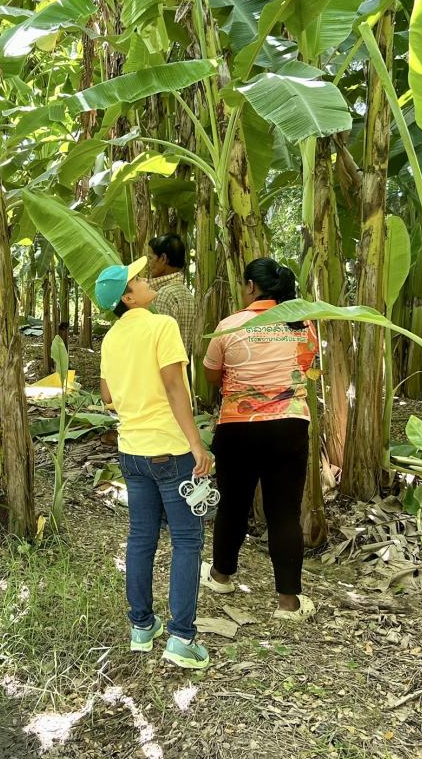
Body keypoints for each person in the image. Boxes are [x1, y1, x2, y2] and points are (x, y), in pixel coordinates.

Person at [96, 256, 213, 670]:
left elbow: (107, 395)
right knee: (187, 540)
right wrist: (197, 444)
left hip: (132, 451)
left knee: (141, 538)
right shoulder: (161, 326)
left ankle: (142, 627)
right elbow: (175, 386)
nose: (147, 280)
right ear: (129, 298)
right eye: (139, 279)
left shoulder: (111, 339)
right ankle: (181, 638)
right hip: (170, 450)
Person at [201, 258, 320, 622]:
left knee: (233, 505)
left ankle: (221, 577)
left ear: (251, 286)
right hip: (289, 426)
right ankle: (288, 602)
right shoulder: (303, 324)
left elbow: (211, 374)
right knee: (284, 512)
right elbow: (305, 367)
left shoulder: (230, 325)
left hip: (238, 427)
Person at [146, 233, 198, 349]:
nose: (149, 263)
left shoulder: (163, 295)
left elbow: (159, 344)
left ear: (163, 259)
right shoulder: (187, 294)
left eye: (150, 258)